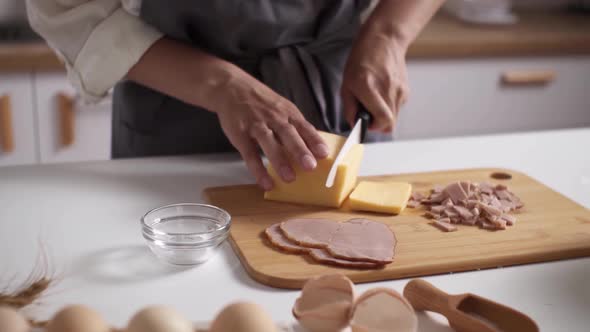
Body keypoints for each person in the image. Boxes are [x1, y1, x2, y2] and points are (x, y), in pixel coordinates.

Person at [27, 0, 443, 190]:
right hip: (181, 105)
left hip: (341, 88)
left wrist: (390, 31)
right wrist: (221, 86)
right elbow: (66, 10)